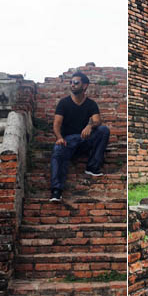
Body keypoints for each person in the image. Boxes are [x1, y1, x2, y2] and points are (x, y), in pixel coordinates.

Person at [49, 71, 110, 202]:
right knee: (58, 151)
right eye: (71, 83)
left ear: (85, 86)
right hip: (68, 141)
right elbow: (56, 124)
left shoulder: (91, 104)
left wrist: (90, 126)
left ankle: (92, 167)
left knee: (103, 130)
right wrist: (59, 138)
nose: (73, 85)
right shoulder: (64, 103)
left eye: (76, 83)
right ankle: (56, 191)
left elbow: (97, 121)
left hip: (83, 140)